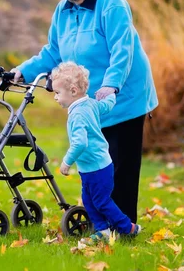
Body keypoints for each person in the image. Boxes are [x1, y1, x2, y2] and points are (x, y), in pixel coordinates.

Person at [11, 0, 158, 227]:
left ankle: (123, 227)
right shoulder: (63, 11)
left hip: (124, 95)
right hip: (88, 101)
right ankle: (101, 224)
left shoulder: (111, 4)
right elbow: (53, 52)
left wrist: (112, 85)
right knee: (95, 164)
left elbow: (122, 51)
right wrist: (23, 71)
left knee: (120, 165)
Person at [51, 62, 141, 243]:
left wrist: (67, 162)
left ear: (74, 91)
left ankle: (129, 228)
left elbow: (80, 142)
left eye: (57, 93)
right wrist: (111, 96)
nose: (55, 97)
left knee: (101, 201)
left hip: (97, 167)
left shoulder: (78, 115)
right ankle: (103, 231)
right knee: (89, 200)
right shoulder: (89, 103)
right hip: (92, 166)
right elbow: (105, 106)